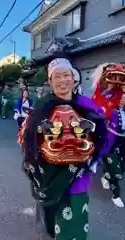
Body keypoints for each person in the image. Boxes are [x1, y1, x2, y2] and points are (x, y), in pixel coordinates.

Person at [18, 57, 110, 239]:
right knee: (50, 223)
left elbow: (103, 136)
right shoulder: (42, 107)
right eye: (57, 76)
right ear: (50, 81)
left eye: (66, 75)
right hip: (49, 176)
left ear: (73, 78)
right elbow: (24, 137)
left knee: (74, 226)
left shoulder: (87, 105)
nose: (62, 80)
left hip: (78, 177)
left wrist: (93, 159)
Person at [91, 63, 125, 207]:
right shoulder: (100, 95)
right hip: (106, 135)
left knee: (120, 164)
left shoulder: (119, 96)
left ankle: (106, 175)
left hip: (120, 137)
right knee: (110, 162)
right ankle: (115, 193)